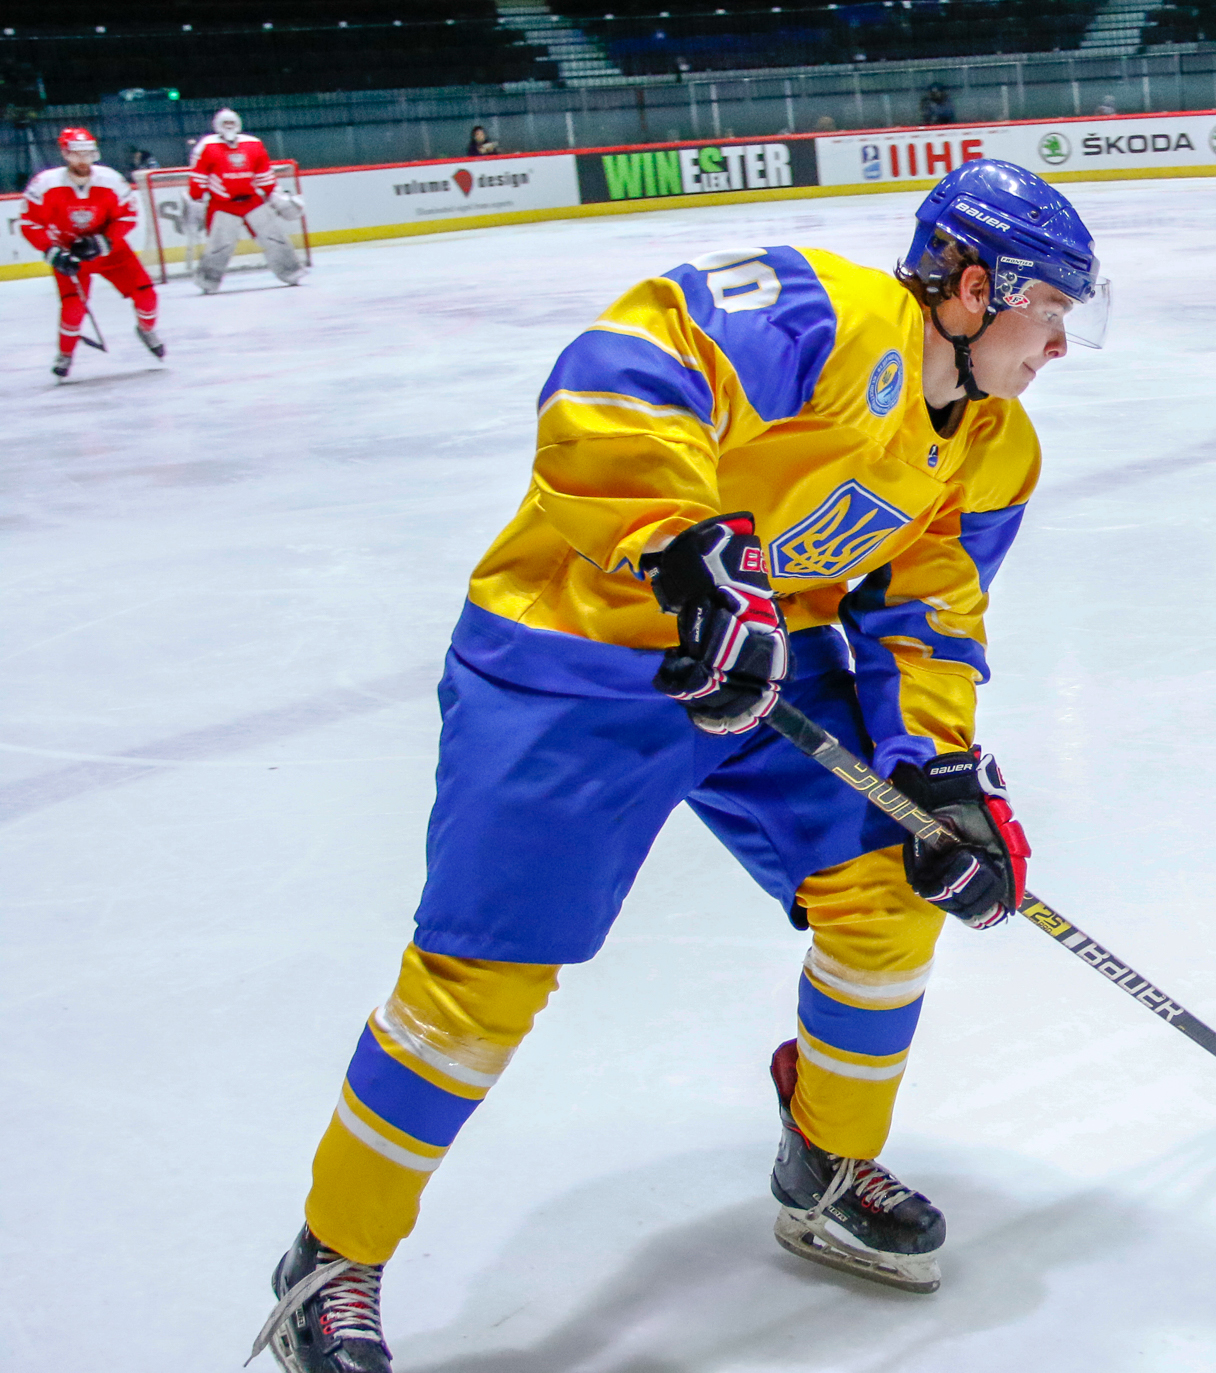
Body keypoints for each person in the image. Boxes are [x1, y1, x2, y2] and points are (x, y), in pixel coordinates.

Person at [248, 161, 1108, 1371]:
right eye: (1051, 313)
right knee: (475, 990)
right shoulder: (820, 313)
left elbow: (929, 604)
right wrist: (684, 550)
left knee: (888, 899)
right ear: (972, 290)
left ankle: (825, 1157)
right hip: (574, 662)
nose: (1062, 346)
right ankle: (331, 1258)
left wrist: (939, 768)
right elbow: (619, 372)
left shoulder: (993, 448)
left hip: (768, 668)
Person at [18, 127, 163, 381]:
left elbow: (127, 216)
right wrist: (53, 253)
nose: (84, 161)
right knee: (73, 307)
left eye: (88, 154)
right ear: (65, 154)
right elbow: (30, 223)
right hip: (68, 253)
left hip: (111, 252)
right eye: (77, 154)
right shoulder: (45, 184)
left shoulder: (110, 180)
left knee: (147, 296)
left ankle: (146, 329)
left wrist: (103, 241)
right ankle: (65, 354)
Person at [188, 108, 304, 292]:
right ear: (217, 126)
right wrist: (196, 202)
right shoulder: (206, 146)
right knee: (219, 246)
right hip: (223, 204)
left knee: (274, 238)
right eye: (225, 124)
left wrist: (275, 195)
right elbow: (198, 178)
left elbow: (264, 175)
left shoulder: (253, 144)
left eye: (231, 123)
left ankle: (291, 272)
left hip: (252, 201)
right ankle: (207, 281)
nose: (229, 127)